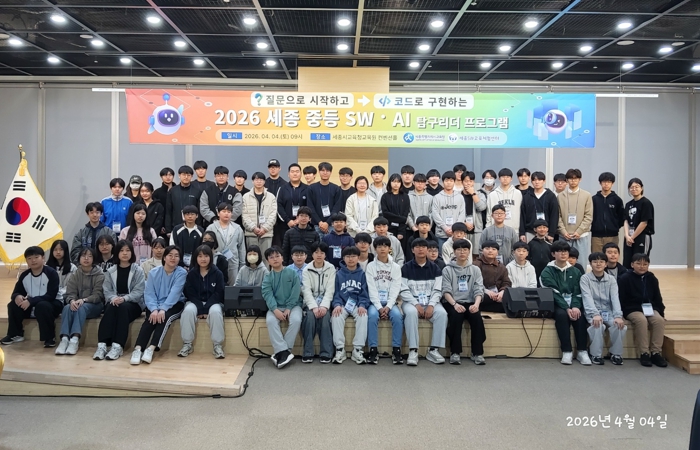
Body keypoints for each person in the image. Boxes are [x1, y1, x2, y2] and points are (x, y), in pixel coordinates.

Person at [130, 245, 186, 365]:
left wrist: (163, 309)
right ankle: (138, 349)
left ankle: (151, 348)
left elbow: (175, 294)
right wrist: (154, 309)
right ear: (164, 257)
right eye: (170, 255)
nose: (173, 258)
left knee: (164, 318)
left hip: (174, 304)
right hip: (155, 304)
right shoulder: (153, 273)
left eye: (176, 256)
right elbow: (149, 293)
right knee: (150, 319)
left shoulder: (181, 273)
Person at [540, 240, 590, 366]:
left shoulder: (575, 271)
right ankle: (567, 351)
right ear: (553, 254)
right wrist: (567, 308)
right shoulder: (547, 271)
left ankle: (582, 351)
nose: (563, 254)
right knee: (562, 315)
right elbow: (553, 292)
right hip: (556, 304)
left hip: (573, 303)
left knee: (580, 316)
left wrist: (575, 306)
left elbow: (578, 291)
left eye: (566, 251)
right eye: (559, 251)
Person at [400, 238, 447, 366]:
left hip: (430, 301)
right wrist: (416, 304)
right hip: (411, 302)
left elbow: (437, 290)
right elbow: (403, 290)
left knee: (442, 314)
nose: (421, 249)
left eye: (423, 247)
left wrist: (431, 305)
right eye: (417, 247)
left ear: (427, 250)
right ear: (412, 250)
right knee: (411, 313)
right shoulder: (405, 268)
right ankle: (413, 350)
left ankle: (434, 350)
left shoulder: (435, 268)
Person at [95, 242, 146, 361]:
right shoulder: (110, 271)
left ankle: (118, 346)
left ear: (132, 253)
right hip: (115, 302)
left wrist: (124, 298)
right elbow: (107, 290)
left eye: (128, 250)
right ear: (117, 253)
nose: (125, 253)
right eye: (121, 250)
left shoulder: (138, 270)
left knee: (123, 308)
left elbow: (138, 292)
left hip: (133, 304)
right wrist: (113, 298)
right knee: (110, 307)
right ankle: (102, 345)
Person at [2, 246, 60, 347]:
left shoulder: (51, 273)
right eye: (29, 258)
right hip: (32, 304)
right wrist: (17, 296)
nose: (33, 260)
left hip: (52, 304)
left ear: (43, 258)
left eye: (36, 257)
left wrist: (31, 301)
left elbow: (51, 295)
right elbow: (16, 292)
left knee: (42, 306)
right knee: (13, 305)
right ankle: (15, 334)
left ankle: (49, 338)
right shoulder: (25, 275)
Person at [442, 239, 486, 365]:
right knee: (456, 317)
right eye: (459, 250)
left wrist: (476, 304)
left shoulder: (475, 269)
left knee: (476, 318)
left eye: (465, 250)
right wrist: (455, 304)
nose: (462, 252)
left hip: (471, 302)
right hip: (452, 302)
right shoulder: (447, 269)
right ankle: (455, 352)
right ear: (454, 252)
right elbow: (446, 291)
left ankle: (477, 353)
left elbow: (479, 289)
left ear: (469, 252)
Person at [618, 253, 667, 368]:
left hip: (649, 308)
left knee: (659, 320)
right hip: (632, 308)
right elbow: (621, 298)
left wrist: (661, 312)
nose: (642, 266)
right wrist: (621, 313)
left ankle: (656, 352)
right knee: (641, 320)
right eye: (638, 263)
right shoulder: (625, 278)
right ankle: (644, 352)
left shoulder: (652, 278)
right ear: (632, 265)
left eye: (645, 264)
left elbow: (657, 297)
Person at [178, 245, 226, 359]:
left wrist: (206, 308)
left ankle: (217, 345)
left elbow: (219, 293)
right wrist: (200, 308)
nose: (203, 259)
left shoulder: (218, 273)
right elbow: (190, 293)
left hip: (213, 302)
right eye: (200, 256)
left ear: (210, 257)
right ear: (196, 258)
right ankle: (187, 344)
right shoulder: (191, 274)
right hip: (195, 302)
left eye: (206, 256)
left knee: (215, 312)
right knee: (188, 311)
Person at [55, 248, 104, 356]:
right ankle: (64, 339)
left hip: (94, 305)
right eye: (83, 256)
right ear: (79, 258)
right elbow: (70, 292)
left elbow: (98, 295)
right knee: (67, 308)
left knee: (81, 308)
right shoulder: (75, 274)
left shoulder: (99, 274)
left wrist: (84, 300)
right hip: (78, 303)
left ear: (94, 259)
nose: (86, 258)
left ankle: (75, 339)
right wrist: (72, 300)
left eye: (90, 256)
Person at [580, 252, 627, 366]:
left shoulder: (611, 279)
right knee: (597, 325)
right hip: (592, 311)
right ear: (590, 264)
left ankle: (615, 354)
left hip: (608, 311)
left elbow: (615, 298)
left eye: (601, 262)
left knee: (620, 326)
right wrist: (594, 314)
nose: (598, 264)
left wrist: (618, 316)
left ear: (606, 264)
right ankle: (595, 354)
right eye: (595, 262)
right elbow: (587, 297)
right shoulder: (585, 278)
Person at [365, 236, 403, 365]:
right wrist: (379, 307)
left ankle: (397, 349)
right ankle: (373, 349)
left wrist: (388, 306)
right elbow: (371, 288)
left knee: (397, 316)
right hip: (375, 303)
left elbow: (396, 288)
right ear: (375, 249)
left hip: (390, 302)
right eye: (379, 246)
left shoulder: (396, 267)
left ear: (389, 248)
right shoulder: (370, 266)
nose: (382, 249)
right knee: (372, 316)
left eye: (385, 246)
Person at [262, 246, 302, 369]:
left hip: (294, 305)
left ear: (282, 258)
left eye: (277, 256)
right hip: (275, 307)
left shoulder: (292, 273)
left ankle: (282, 352)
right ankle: (284, 352)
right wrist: (275, 309)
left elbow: (296, 292)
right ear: (268, 261)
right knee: (270, 320)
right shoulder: (268, 277)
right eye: (271, 257)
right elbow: (267, 294)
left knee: (296, 320)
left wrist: (289, 307)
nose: (275, 259)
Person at [330, 246, 369, 364]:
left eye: (353, 256)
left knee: (363, 316)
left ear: (358, 258)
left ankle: (357, 349)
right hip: (343, 304)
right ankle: (339, 349)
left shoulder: (362, 274)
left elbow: (364, 293)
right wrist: (337, 304)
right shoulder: (338, 274)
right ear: (343, 258)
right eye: (347, 256)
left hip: (357, 304)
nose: (350, 259)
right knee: (336, 316)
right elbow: (336, 292)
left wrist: (362, 305)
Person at [300, 242, 335, 363]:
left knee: (325, 318)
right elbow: (306, 290)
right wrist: (314, 307)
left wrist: (324, 306)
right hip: (311, 303)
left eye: (322, 252)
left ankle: (326, 352)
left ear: (325, 255)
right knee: (309, 318)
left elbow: (330, 290)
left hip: (326, 303)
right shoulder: (306, 269)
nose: (319, 255)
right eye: (316, 252)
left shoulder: (331, 268)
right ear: (312, 254)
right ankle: (308, 352)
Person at [557, 168, 593, 267]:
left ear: (580, 179)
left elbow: (588, 216)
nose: (573, 181)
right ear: (567, 180)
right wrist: (563, 231)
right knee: (563, 264)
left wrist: (579, 231)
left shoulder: (586, 195)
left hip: (581, 236)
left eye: (575, 178)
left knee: (580, 264)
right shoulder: (560, 196)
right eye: (570, 179)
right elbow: (558, 216)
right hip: (564, 236)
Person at [206, 203, 245, 285]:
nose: (226, 214)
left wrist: (242, 265)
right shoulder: (211, 228)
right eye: (224, 211)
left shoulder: (237, 228)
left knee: (233, 287)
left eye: (229, 212)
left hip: (233, 263)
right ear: (218, 213)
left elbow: (241, 248)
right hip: (216, 262)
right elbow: (207, 247)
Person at [242, 172, 277, 258]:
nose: (259, 181)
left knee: (266, 258)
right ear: (253, 181)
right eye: (256, 179)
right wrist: (253, 228)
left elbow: (273, 215)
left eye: (261, 179)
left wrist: (264, 228)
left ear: (264, 181)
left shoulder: (271, 197)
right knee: (252, 258)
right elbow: (244, 215)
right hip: (251, 233)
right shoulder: (246, 197)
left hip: (266, 234)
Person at [473, 240, 511, 313]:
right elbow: (474, 282)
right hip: (482, 294)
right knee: (484, 297)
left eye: (493, 249)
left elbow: (506, 282)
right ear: (482, 251)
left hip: (497, 295)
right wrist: (486, 291)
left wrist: (502, 292)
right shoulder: (476, 265)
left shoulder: (502, 267)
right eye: (487, 248)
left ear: (497, 252)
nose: (490, 251)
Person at [623, 178, 654, 269]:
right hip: (629, 237)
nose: (634, 189)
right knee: (628, 261)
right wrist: (627, 236)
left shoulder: (646, 203)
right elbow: (626, 220)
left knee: (640, 261)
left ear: (642, 188)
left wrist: (632, 237)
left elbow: (644, 222)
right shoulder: (628, 204)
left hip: (642, 236)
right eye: (631, 187)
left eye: (637, 187)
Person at [591, 172, 625, 253]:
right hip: (596, 236)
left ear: (612, 183)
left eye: (609, 182)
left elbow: (622, 216)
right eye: (604, 182)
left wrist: (614, 226)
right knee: (597, 257)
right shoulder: (594, 199)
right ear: (600, 183)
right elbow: (589, 215)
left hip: (612, 236)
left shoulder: (617, 200)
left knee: (611, 257)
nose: (606, 184)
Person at [519, 171, 558, 243]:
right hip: (530, 232)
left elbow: (554, 215)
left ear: (544, 181)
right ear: (531, 182)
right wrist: (522, 233)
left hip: (546, 233)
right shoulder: (526, 196)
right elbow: (522, 215)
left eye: (539, 180)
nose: (537, 182)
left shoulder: (550, 196)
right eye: (534, 180)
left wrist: (551, 233)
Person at [276, 163, 309, 247]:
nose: (295, 174)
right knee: (286, 248)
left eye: (297, 172)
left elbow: (309, 206)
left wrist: (299, 220)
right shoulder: (282, 188)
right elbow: (279, 206)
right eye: (292, 172)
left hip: (303, 225)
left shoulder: (307, 189)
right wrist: (288, 220)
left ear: (301, 174)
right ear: (288, 174)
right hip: (286, 225)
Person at [432, 170, 465, 252]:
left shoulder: (460, 197)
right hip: (441, 234)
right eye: (446, 180)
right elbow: (435, 214)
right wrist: (445, 228)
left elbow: (462, 214)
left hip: (457, 234)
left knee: (457, 254)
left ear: (454, 182)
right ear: (443, 182)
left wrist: (454, 228)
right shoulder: (437, 197)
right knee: (442, 255)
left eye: (451, 181)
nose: (449, 183)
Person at [165, 165, 202, 235]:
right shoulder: (173, 191)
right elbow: (168, 211)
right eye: (184, 175)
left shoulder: (197, 191)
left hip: (193, 227)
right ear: (179, 175)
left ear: (192, 176)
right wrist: (168, 230)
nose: (186, 177)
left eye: (188, 175)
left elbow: (199, 212)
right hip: (175, 226)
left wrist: (199, 227)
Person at [486, 168, 522, 233]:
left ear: (511, 179)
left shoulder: (518, 193)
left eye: (507, 177)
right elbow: (489, 214)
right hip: (496, 230)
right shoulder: (492, 195)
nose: (505, 179)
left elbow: (521, 212)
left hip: (514, 230)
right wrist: (488, 229)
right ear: (499, 178)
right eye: (503, 177)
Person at [380, 173, 410, 251]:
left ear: (401, 183)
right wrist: (402, 219)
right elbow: (386, 214)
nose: (396, 184)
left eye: (398, 182)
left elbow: (405, 214)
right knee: (389, 250)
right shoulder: (385, 196)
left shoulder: (405, 196)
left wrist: (401, 231)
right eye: (394, 181)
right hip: (389, 228)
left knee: (401, 251)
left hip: (401, 229)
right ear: (390, 183)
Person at [170, 205, 204, 269]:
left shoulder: (201, 231)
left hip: (196, 265)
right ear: (183, 216)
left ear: (197, 216)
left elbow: (202, 248)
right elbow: (172, 246)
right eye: (187, 214)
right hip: (178, 264)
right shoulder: (176, 229)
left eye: (192, 214)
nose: (190, 216)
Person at [461, 171, 487, 253]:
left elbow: (481, 207)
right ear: (462, 182)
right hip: (462, 229)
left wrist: (473, 193)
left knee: (476, 254)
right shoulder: (458, 195)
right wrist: (464, 223)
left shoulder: (480, 194)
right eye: (466, 181)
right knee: (463, 252)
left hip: (476, 229)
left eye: (471, 181)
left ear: (474, 182)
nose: (468, 183)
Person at [265, 159, 289, 249]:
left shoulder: (285, 185)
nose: (273, 169)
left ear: (280, 168)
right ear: (268, 169)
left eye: (275, 167)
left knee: (281, 245)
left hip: (281, 221)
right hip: (266, 220)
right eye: (271, 167)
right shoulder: (263, 184)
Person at [46, 239, 76, 304]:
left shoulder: (73, 268)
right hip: (49, 296)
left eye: (61, 249)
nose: (58, 252)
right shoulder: (46, 268)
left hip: (66, 297)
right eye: (55, 250)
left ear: (65, 251)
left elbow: (73, 286)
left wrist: (59, 293)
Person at [528, 219, 553, 285]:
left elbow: (552, 258)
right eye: (539, 227)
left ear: (547, 229)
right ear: (535, 229)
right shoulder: (531, 244)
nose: (542, 229)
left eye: (544, 227)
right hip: (534, 271)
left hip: (547, 270)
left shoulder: (550, 244)